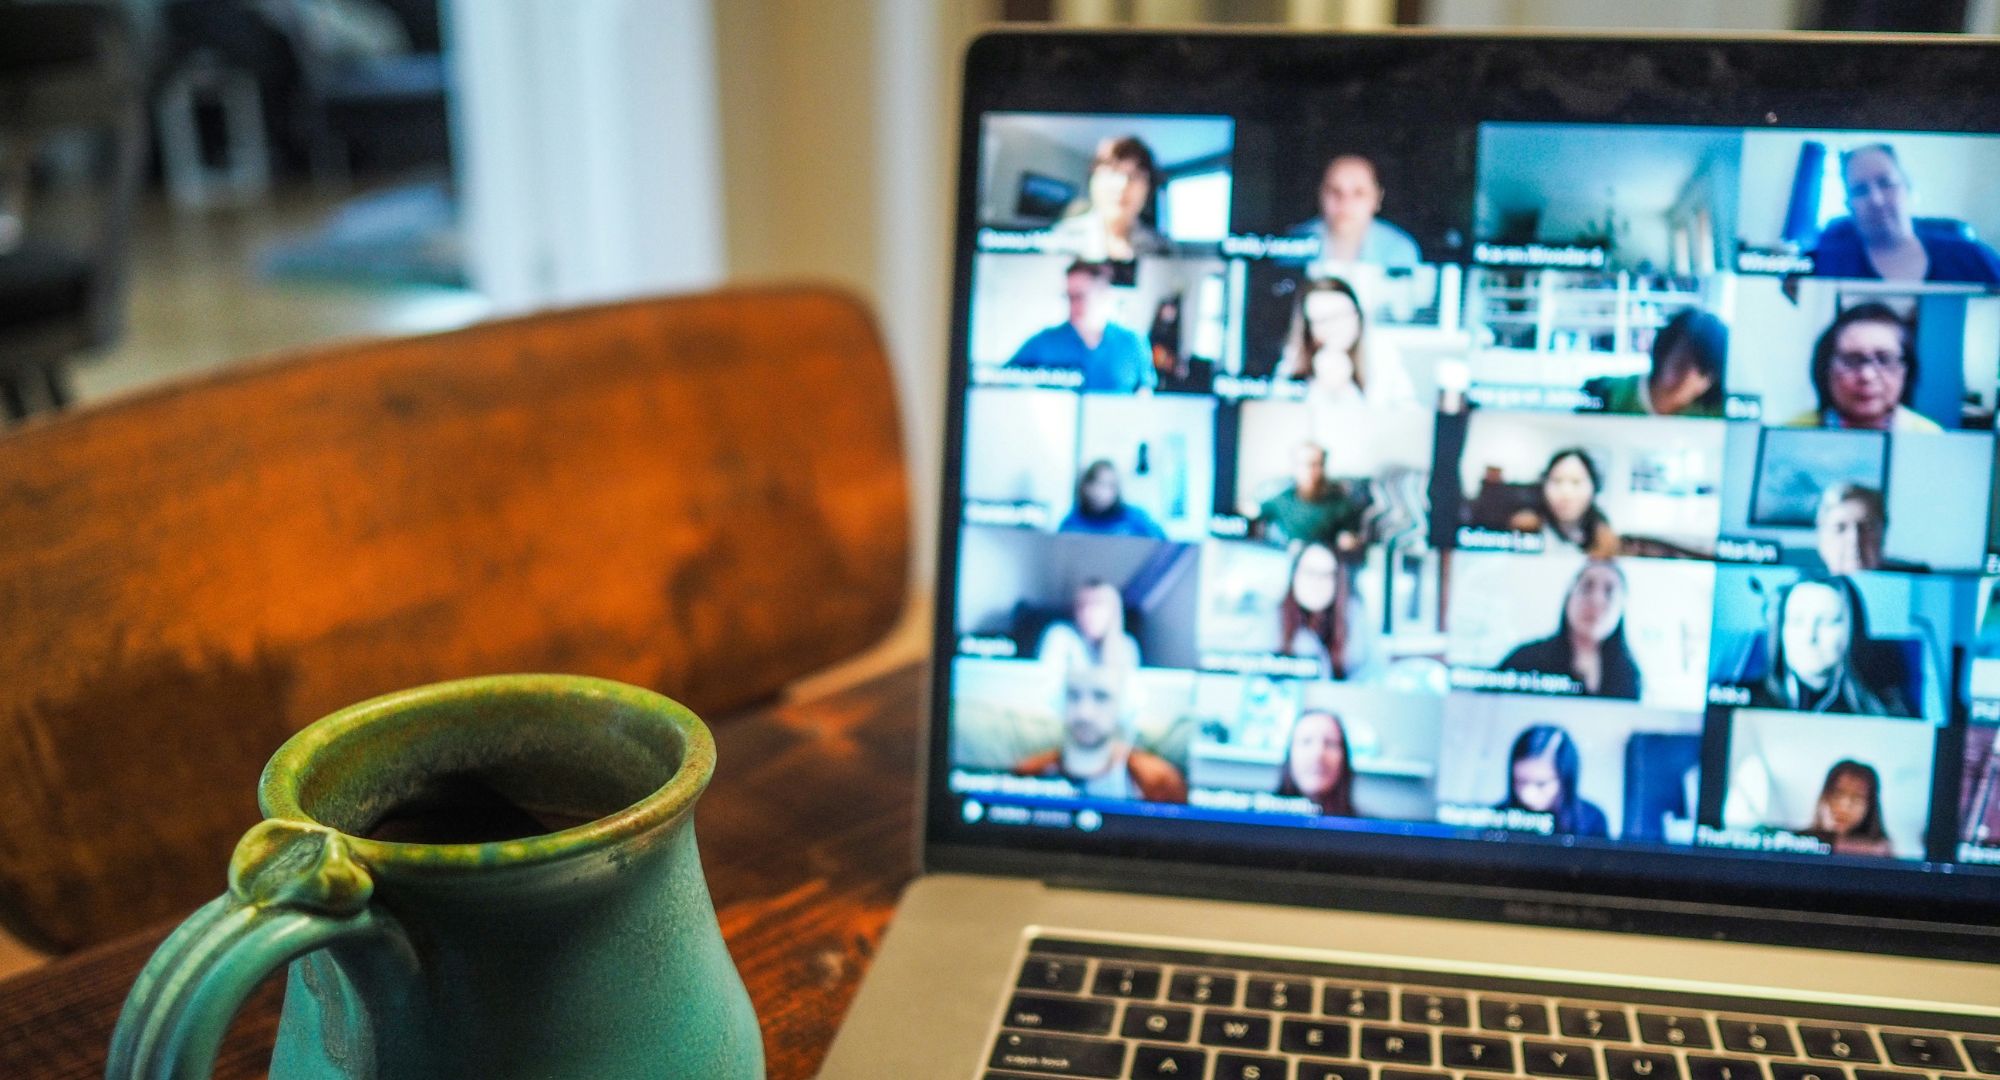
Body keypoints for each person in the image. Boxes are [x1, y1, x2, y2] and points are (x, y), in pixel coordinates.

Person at [1809, 144, 2000, 285]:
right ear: (1848, 205)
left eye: (1886, 183)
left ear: (1908, 189)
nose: (1876, 200)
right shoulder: (1824, 265)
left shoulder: (1972, 256)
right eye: (1860, 190)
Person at [1012, 660, 1187, 802]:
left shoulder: (1159, 782)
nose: (1084, 713)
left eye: (1101, 696)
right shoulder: (1029, 774)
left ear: (1124, 705)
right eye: (1073, 695)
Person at [1750, 576, 1916, 717]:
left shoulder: (1885, 710)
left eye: (1828, 622)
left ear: (1852, 630)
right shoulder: (1747, 699)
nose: (1809, 636)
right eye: (1797, 621)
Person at [1498, 559, 1642, 700]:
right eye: (1586, 588)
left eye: (1609, 592)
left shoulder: (1629, 675)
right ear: (1569, 597)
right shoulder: (1524, 659)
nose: (1596, 601)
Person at [1784, 302, 1939, 433]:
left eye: (1884, 359)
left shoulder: (1929, 437)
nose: (1867, 375)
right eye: (1851, 360)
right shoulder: (1792, 433)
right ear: (1825, 369)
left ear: (1906, 370)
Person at [1007, 260, 1156, 393]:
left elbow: (1143, 396)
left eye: (1079, 296)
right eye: (1069, 297)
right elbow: (1003, 382)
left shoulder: (1133, 343)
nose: (1072, 304)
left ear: (1103, 294)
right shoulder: (1043, 343)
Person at [1276, 276, 1415, 408]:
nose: (1333, 327)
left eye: (1340, 315)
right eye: (1322, 320)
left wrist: (1344, 389)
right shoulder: (1293, 361)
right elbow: (1280, 412)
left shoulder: (1383, 355)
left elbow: (1409, 414)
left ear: (1358, 315)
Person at [1582, 308, 1728, 417]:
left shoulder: (1714, 415)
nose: (1687, 378)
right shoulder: (1608, 394)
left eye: (1702, 372)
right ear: (1664, 352)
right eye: (1681, 363)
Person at [1047, 135, 1169, 262]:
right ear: (1093, 180)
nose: (1122, 185)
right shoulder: (1057, 242)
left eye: (1134, 176)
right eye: (1113, 172)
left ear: (1148, 188)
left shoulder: (1164, 250)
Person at [1287, 154, 1421, 267]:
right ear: (1320, 194)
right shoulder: (1291, 244)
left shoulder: (1399, 249)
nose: (1345, 202)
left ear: (1377, 198)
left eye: (1358, 193)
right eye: (1335, 191)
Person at [1278, 541, 1373, 679]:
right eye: (1310, 572)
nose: (1317, 582)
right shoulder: (1270, 622)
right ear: (1294, 576)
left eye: (1326, 575)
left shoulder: (1354, 621)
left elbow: (1372, 676)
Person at [1497, 725, 1610, 839]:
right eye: (1520, 781)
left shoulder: (1592, 819)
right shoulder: (1497, 817)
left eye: (1541, 784)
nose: (1527, 795)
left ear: (1565, 780)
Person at [1254, 442, 1368, 551]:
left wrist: (1348, 540)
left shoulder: (1340, 504)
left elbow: (1352, 534)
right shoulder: (1282, 500)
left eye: (1316, 464)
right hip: (1288, 556)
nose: (1310, 470)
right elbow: (1253, 511)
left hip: (1325, 558)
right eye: (1304, 464)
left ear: (1323, 466)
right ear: (1295, 467)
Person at [1507, 449, 1619, 557]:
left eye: (1576, 482)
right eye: (1557, 481)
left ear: (1594, 487)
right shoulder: (1525, 524)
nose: (1566, 493)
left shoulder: (1603, 535)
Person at [1037, 580, 1142, 672]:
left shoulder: (1126, 645)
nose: (1087, 612)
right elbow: (1049, 680)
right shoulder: (1060, 636)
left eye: (1097, 604)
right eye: (1082, 605)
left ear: (1114, 611)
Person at [1802, 759, 1894, 857]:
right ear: (1824, 796)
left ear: (1870, 807)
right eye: (1837, 794)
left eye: (1857, 798)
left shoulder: (1881, 853)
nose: (1844, 807)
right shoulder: (1798, 843)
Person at [1276, 710, 1357, 818]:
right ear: (1290, 753)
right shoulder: (1258, 815)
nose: (1318, 754)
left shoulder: (1368, 826)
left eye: (1330, 743)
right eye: (1306, 741)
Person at [1058, 460, 1165, 539]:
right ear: (1085, 487)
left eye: (1108, 485)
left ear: (1116, 489)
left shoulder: (1137, 518)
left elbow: (1165, 545)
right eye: (1096, 484)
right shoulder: (1072, 521)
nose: (1100, 492)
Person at [1814, 483, 1891, 575]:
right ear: (1822, 541)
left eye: (1867, 528)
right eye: (1840, 528)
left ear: (1883, 534)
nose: (1854, 539)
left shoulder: (1905, 582)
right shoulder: (1804, 583)